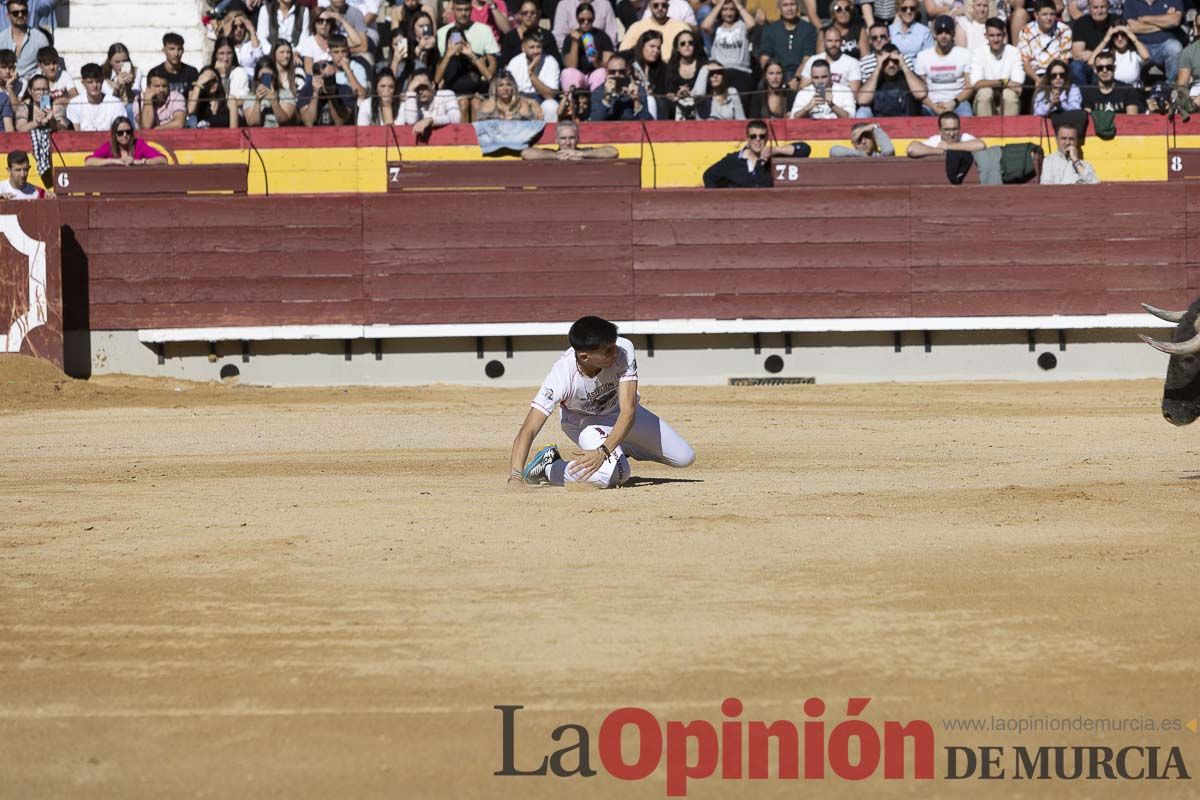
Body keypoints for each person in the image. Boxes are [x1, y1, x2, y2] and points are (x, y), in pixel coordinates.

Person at [509, 315, 695, 489]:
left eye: (614, 345)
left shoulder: (623, 349)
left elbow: (628, 411)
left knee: (685, 457)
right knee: (617, 474)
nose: (615, 353)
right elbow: (529, 429)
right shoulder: (561, 376)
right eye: (607, 351)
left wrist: (604, 450)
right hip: (585, 423)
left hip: (620, 414)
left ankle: (620, 446)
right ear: (584, 357)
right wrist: (515, 477)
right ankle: (549, 468)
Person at [436, 0, 500, 108]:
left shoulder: (484, 30)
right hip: (452, 85)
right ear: (453, 10)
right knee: (463, 103)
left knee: (475, 104)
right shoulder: (442, 32)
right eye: (459, 10)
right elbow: (439, 64)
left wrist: (485, 80)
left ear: (471, 10)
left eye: (466, 9)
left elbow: (492, 62)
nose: (463, 13)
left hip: (478, 85)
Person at [916, 15, 974, 115]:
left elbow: (969, 87)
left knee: (967, 117)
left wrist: (954, 102)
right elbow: (920, 90)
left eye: (947, 32)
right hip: (932, 103)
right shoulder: (923, 56)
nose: (943, 35)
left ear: (953, 33)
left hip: (958, 102)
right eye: (940, 32)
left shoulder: (965, 54)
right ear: (934, 34)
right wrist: (934, 107)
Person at [856, 42, 926, 115]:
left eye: (895, 60)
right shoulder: (875, 80)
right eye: (886, 61)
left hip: (908, 123)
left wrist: (903, 64)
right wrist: (878, 66)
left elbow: (921, 94)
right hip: (881, 124)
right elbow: (862, 100)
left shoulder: (909, 77)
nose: (891, 65)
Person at [758, 0, 818, 85]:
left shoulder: (808, 29)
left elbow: (807, 58)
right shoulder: (770, 30)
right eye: (785, 5)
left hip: (800, 74)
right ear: (779, 9)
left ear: (798, 7)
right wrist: (772, 75)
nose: (789, 8)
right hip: (777, 73)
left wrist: (797, 78)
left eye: (792, 4)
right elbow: (765, 57)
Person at [971, 16, 1022, 115]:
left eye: (999, 35)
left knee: (1009, 95)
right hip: (986, 102)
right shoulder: (978, 53)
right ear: (986, 36)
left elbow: (1017, 85)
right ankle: (985, 130)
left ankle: (1010, 130)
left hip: (1006, 101)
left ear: (1004, 35)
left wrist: (992, 83)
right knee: (985, 93)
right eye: (992, 35)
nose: (995, 39)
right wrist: (1003, 82)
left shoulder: (1014, 52)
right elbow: (977, 84)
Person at [703, 0, 757, 93]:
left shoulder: (742, 26)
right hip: (720, 72)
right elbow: (705, 26)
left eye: (732, 10)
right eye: (725, 10)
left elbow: (752, 23)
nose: (728, 13)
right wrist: (721, 3)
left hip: (741, 71)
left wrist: (736, 3)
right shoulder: (716, 27)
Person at [507, 28, 561, 120]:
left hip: (542, 98)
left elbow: (550, 95)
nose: (536, 51)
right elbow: (509, 93)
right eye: (532, 47)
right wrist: (530, 102)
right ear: (523, 48)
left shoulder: (551, 62)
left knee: (551, 105)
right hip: (521, 98)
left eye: (539, 47)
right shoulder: (515, 63)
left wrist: (531, 73)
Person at [1122, 0, 1182, 82]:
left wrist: (1145, 18)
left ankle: (1170, 86)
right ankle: (1134, 87)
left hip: (1165, 43)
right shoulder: (1131, 1)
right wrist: (1165, 22)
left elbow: (1175, 21)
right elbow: (1133, 27)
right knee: (1128, 53)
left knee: (1175, 47)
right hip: (1140, 45)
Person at [561, 2, 613, 93]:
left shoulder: (603, 37)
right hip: (578, 75)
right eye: (582, 20)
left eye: (589, 20)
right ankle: (571, 103)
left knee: (601, 72)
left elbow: (609, 64)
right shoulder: (570, 38)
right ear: (577, 19)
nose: (586, 22)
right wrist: (575, 43)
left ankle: (597, 103)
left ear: (594, 19)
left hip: (595, 74)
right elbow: (571, 66)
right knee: (567, 73)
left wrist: (596, 62)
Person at [798, 25, 863, 94]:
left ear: (841, 42)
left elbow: (854, 94)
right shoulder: (813, 60)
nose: (833, 44)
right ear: (824, 42)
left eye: (837, 41)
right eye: (829, 41)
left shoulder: (852, 63)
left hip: (842, 102)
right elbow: (803, 89)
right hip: (817, 100)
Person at [1018, 0, 1072, 81]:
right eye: (1044, 14)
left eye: (1052, 14)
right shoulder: (1026, 31)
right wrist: (1037, 80)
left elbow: (1064, 60)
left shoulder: (1064, 30)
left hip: (1056, 74)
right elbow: (1026, 62)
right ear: (1036, 15)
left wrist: (1049, 78)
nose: (1049, 18)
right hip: (1033, 75)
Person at [589, 55, 655, 118]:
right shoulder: (598, 92)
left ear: (627, 71)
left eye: (621, 72)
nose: (617, 75)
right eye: (612, 72)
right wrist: (607, 97)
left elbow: (647, 123)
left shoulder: (638, 90)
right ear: (606, 73)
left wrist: (636, 101)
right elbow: (595, 121)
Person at [242, 54, 299, 126]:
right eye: (262, 78)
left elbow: (284, 121)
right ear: (257, 79)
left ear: (275, 76)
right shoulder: (250, 97)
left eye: (270, 77)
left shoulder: (286, 94)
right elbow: (253, 123)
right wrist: (257, 101)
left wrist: (274, 101)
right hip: (260, 135)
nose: (266, 81)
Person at [83, 117, 168, 166]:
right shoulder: (109, 146)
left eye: (128, 132)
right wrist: (114, 161)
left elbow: (163, 160)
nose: (125, 135)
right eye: (120, 133)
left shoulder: (139, 144)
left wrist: (139, 162)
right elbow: (88, 162)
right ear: (114, 135)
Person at [619, 0, 690, 59]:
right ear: (650, 6)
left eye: (664, 5)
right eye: (656, 5)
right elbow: (623, 53)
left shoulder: (681, 27)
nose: (660, 8)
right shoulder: (637, 27)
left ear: (668, 7)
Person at [67, 63, 126, 132]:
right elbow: (76, 134)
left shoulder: (115, 103)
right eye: (90, 82)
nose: (95, 85)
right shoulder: (75, 104)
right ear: (83, 83)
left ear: (102, 81)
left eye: (98, 81)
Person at [501, 0, 561, 68]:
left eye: (532, 13)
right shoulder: (510, 37)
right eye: (525, 13)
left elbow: (556, 61)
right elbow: (504, 63)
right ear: (519, 15)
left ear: (538, 14)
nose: (529, 15)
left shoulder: (547, 36)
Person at [1069, 0, 1114, 86]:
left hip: (1109, 64)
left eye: (1103, 7)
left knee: (1101, 67)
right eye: (1095, 8)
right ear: (1089, 8)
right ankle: (1083, 95)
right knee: (1075, 66)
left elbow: (1120, 50)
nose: (1099, 11)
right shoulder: (1081, 23)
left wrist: (1093, 54)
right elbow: (1077, 55)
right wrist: (1104, 53)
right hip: (1088, 65)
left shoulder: (1115, 21)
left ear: (1108, 7)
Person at [0, 0, 49, 80]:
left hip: (32, 87)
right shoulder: (1, 39)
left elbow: (47, 65)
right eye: (15, 13)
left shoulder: (40, 38)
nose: (20, 15)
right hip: (5, 87)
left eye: (24, 12)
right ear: (8, 15)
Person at [521, 118, 619, 158]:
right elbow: (526, 153)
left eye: (571, 138)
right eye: (563, 138)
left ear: (578, 139)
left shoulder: (585, 153)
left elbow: (613, 151)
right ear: (556, 140)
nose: (567, 143)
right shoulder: (550, 153)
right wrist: (557, 156)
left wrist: (582, 153)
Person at [790, 58, 855, 116]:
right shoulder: (803, 93)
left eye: (824, 77)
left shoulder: (844, 91)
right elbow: (793, 118)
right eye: (816, 77)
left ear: (830, 75)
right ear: (811, 77)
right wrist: (808, 107)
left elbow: (850, 117)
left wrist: (832, 105)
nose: (820, 81)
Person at [905, 109, 985, 155]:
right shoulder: (935, 140)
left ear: (959, 128)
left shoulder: (964, 137)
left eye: (955, 129)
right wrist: (938, 151)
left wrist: (948, 147)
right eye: (947, 130)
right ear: (939, 131)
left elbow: (981, 145)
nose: (952, 133)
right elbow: (911, 149)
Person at [147, 32, 201, 97]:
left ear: (183, 51)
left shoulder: (191, 72)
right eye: (172, 49)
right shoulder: (155, 72)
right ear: (164, 50)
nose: (176, 53)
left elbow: (192, 101)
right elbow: (149, 98)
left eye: (179, 49)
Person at [473, 70, 543, 118]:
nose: (505, 88)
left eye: (509, 84)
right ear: (495, 89)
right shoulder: (487, 106)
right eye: (501, 85)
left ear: (513, 87)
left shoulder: (522, 105)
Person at [102, 44, 139, 112]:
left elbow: (136, 98)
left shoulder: (136, 72)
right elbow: (110, 103)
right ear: (110, 61)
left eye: (124, 61)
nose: (121, 65)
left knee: (130, 107)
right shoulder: (103, 76)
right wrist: (117, 86)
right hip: (112, 111)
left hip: (131, 109)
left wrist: (128, 86)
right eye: (117, 62)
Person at [830, 121, 895, 155]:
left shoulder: (879, 156)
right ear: (853, 142)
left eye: (867, 136)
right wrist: (862, 154)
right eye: (859, 138)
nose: (863, 142)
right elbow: (834, 151)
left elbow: (889, 151)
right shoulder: (848, 156)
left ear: (873, 139)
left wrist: (875, 128)